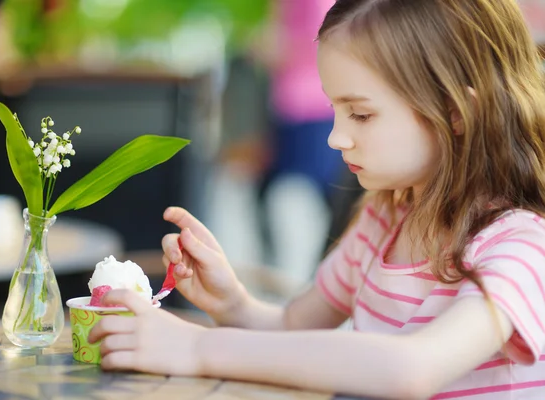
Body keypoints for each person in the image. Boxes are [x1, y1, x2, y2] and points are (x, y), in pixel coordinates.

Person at [88, 1, 545, 398]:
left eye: (361, 114)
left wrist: (198, 347)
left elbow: (413, 369)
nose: (335, 137)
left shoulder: (519, 246)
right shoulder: (385, 220)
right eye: (335, 110)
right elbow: (292, 329)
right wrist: (231, 304)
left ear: (455, 111)